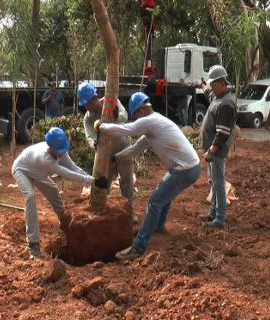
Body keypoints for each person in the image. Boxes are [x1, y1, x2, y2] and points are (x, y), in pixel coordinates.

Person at [94, 92, 201, 261]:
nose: (136, 119)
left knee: (154, 201)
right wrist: (117, 158)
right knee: (165, 193)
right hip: (191, 167)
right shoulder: (154, 125)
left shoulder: (150, 121)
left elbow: (125, 129)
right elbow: (136, 148)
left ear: (141, 112)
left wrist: (101, 126)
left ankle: (139, 247)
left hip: (184, 169)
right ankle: (158, 225)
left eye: (135, 115)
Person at [12, 127, 108, 258]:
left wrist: (92, 180)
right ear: (50, 148)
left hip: (39, 172)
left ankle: (65, 224)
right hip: (22, 170)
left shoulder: (60, 150)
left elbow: (73, 168)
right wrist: (93, 181)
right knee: (29, 196)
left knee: (54, 191)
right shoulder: (44, 158)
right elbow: (67, 174)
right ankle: (33, 243)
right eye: (59, 151)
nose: (62, 154)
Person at [77, 82, 138, 224]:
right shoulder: (88, 118)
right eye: (84, 105)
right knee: (104, 182)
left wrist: (116, 115)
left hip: (123, 145)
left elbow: (124, 115)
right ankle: (102, 210)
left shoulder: (111, 102)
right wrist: (95, 145)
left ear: (94, 98)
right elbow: (90, 136)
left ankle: (129, 211)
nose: (86, 107)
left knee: (127, 179)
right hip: (105, 152)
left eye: (87, 103)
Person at [196, 65, 237, 229]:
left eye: (214, 85)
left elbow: (223, 133)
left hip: (217, 151)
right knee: (214, 182)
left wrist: (212, 150)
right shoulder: (218, 98)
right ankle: (212, 213)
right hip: (211, 151)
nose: (211, 88)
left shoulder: (226, 104)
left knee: (219, 183)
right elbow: (208, 94)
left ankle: (220, 219)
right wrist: (202, 85)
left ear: (222, 83)